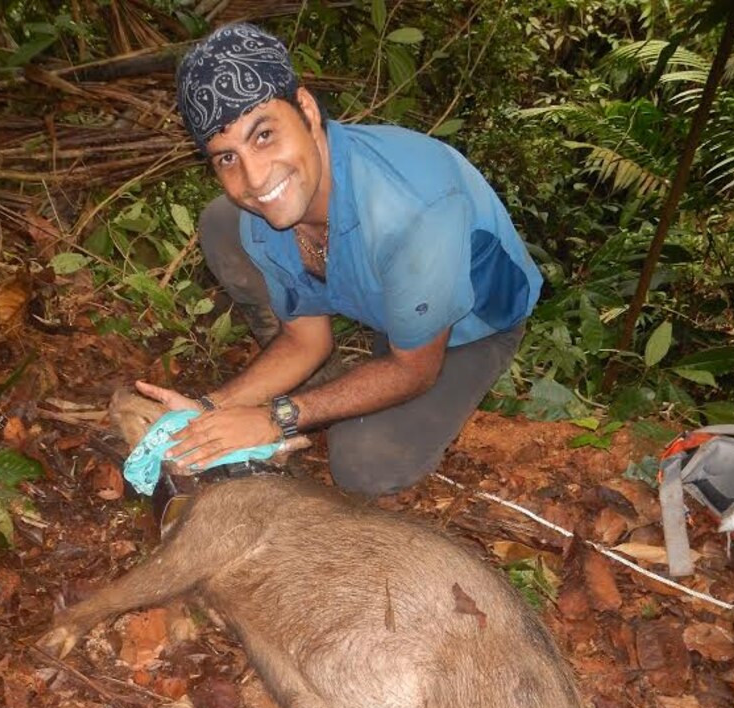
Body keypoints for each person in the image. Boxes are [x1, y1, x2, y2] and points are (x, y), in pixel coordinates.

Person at [136, 22, 542, 495]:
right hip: (388, 299)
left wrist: (276, 419)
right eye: (227, 158)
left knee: (363, 464)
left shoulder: (411, 209)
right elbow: (305, 341)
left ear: (306, 110)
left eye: (264, 134)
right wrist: (209, 410)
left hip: (472, 323)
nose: (254, 176)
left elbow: (415, 369)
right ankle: (341, 376)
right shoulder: (264, 212)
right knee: (225, 220)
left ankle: (356, 375)